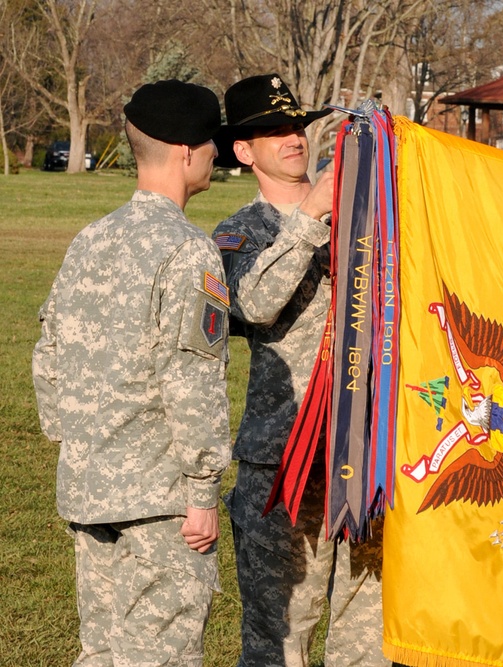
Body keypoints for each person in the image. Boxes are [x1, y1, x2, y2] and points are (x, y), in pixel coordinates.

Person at [32, 80, 231, 665]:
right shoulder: (189, 251)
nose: (216, 154)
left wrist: (75, 441)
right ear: (189, 152)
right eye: (212, 144)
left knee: (100, 653)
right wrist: (202, 491)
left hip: (89, 489)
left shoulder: (89, 240)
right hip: (161, 503)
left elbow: (48, 354)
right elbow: (191, 378)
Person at [212, 74, 388, 667]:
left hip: (371, 451)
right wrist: (311, 214)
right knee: (279, 636)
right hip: (284, 461)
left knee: (369, 637)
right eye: (273, 129)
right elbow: (252, 306)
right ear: (243, 149)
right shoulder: (241, 232)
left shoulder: (369, 216)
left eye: (296, 125)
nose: (293, 138)